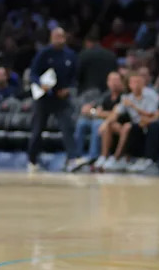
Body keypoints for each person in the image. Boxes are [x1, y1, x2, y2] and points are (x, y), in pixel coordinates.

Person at [27, 27, 78, 172]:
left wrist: (68, 89)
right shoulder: (44, 53)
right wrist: (40, 84)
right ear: (51, 38)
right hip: (44, 97)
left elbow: (74, 77)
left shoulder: (70, 55)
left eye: (61, 36)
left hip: (61, 98)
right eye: (56, 36)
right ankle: (32, 160)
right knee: (38, 129)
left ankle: (73, 159)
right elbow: (33, 74)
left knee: (67, 127)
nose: (59, 39)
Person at [70, 71, 126, 172]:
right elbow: (98, 111)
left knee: (97, 124)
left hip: (115, 123)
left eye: (116, 80)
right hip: (102, 120)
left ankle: (94, 157)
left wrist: (98, 113)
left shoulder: (124, 96)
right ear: (107, 82)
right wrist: (94, 111)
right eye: (111, 80)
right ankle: (77, 156)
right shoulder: (106, 96)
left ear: (121, 82)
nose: (113, 83)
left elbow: (114, 114)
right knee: (82, 123)